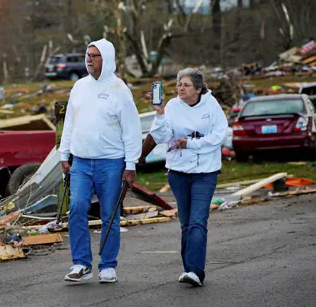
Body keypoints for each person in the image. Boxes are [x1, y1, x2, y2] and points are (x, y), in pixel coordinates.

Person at [59, 38, 142, 283]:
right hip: (81, 162)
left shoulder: (120, 89)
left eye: (94, 55)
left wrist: (131, 164)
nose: (89, 59)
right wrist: (64, 154)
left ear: (106, 59)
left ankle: (107, 265)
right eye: (88, 55)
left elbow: (131, 130)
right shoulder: (79, 87)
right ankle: (81, 264)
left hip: (111, 162)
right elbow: (69, 123)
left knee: (109, 214)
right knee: (76, 208)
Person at [149, 67, 227, 287]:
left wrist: (192, 143)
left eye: (185, 85)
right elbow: (162, 136)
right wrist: (159, 112)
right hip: (179, 173)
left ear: (198, 89)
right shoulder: (172, 106)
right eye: (178, 84)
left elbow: (218, 135)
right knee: (186, 224)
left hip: (205, 173)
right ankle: (189, 269)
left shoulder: (211, 105)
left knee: (198, 221)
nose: (180, 88)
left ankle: (196, 271)